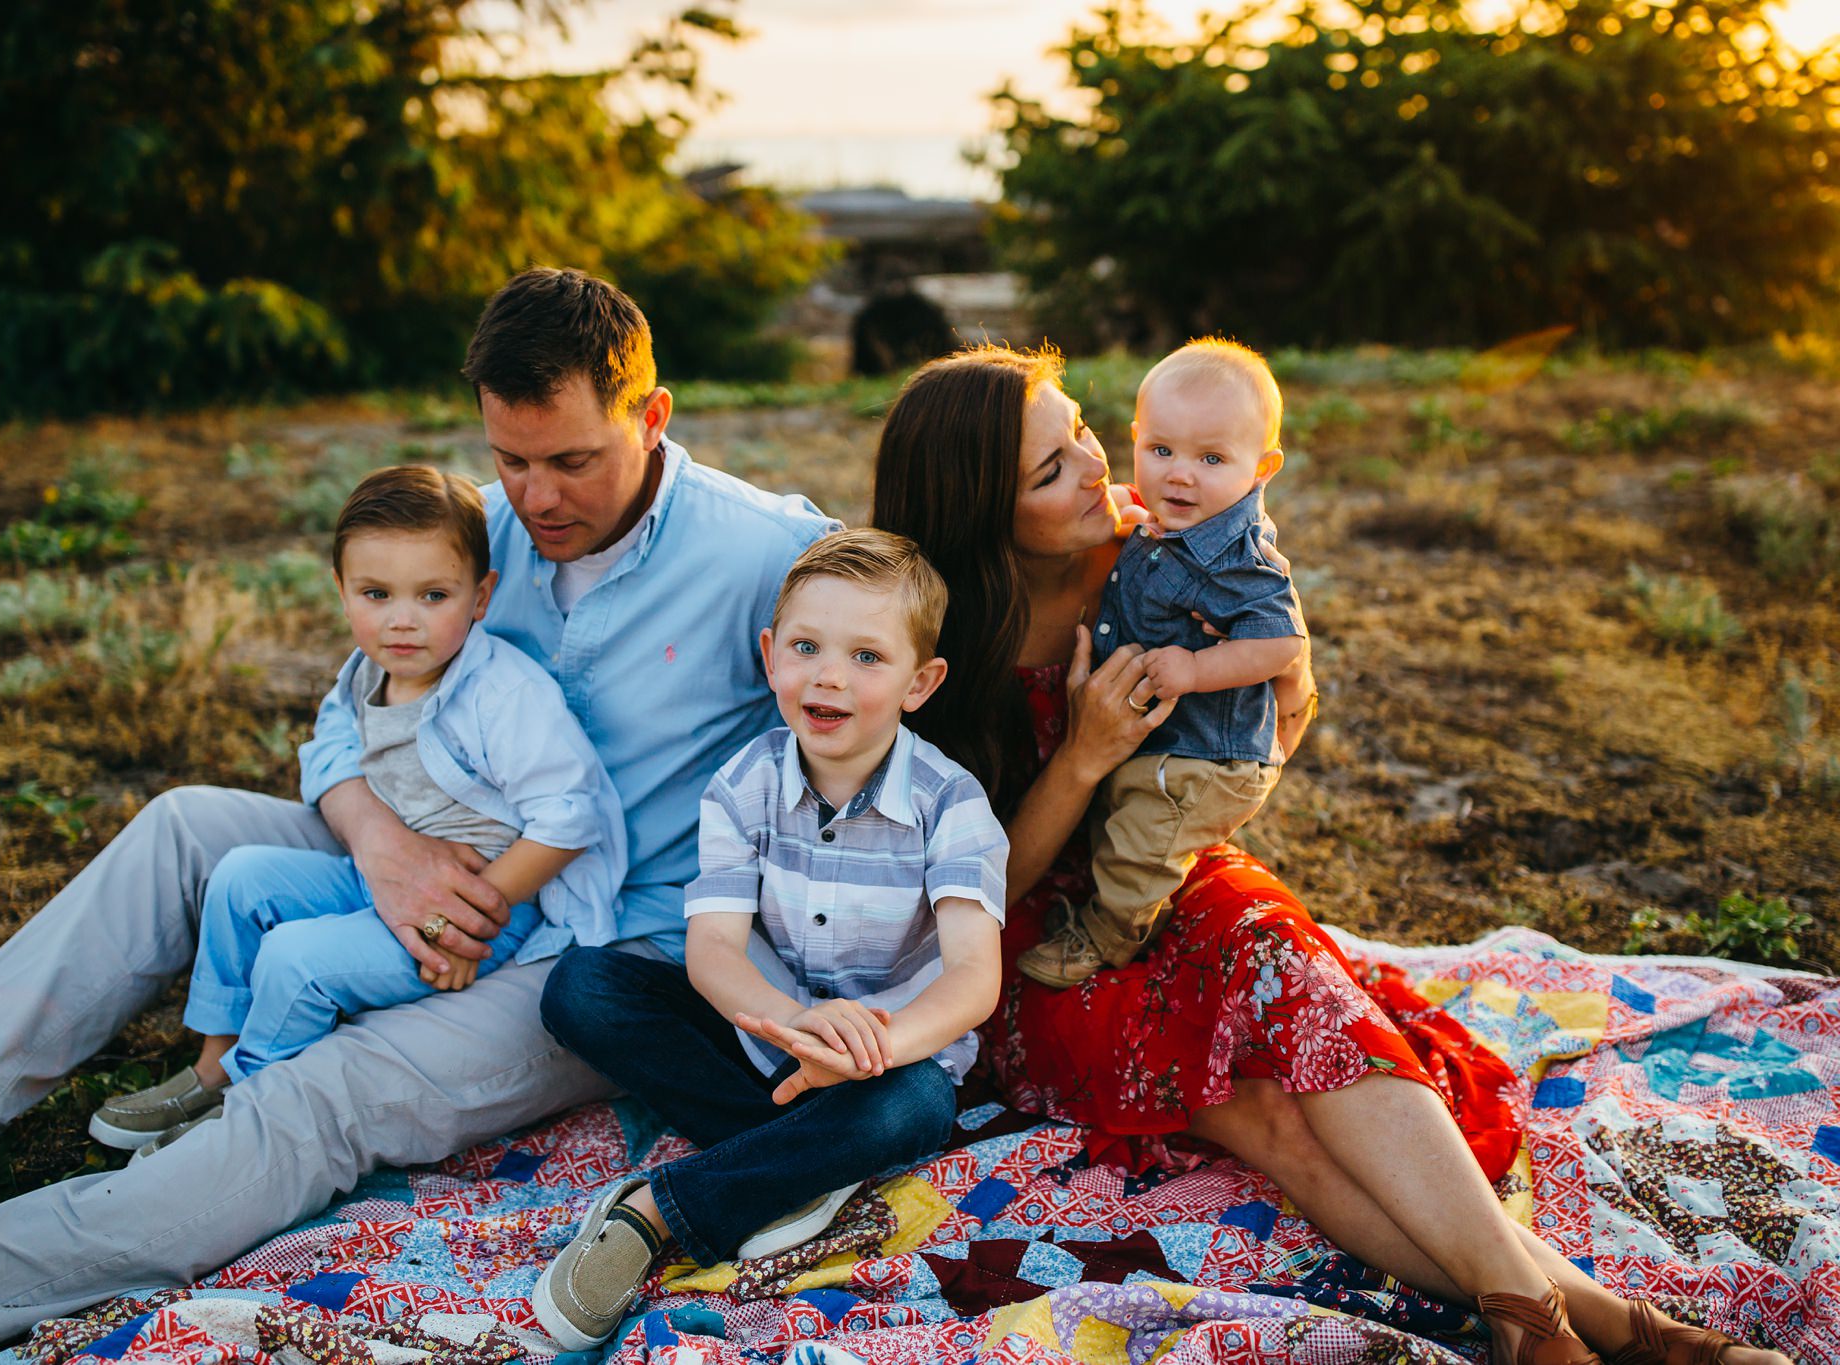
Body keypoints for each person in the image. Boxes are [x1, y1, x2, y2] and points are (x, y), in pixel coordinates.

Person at [0, 268, 835, 1365]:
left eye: (572, 460)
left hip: (599, 947)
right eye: (509, 461)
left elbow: (895, 670)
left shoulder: (766, 553)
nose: (536, 499)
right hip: (423, 854)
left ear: (651, 415)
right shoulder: (474, 538)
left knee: (326, 1093)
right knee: (188, 823)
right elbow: (342, 724)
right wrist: (379, 845)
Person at [870, 346, 1782, 1365]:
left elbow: (1276, 680)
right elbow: (980, 898)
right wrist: (1081, 758)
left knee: (1304, 1006)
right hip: (1042, 939)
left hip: (1172, 863)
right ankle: (1618, 1332)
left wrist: (1283, 698)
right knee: (1264, 1115)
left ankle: (1555, 1328)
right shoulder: (936, 638)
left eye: (1081, 428)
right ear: (980, 510)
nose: (1094, 468)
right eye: (1048, 471)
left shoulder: (1159, 546)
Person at [529, 529, 1007, 1351]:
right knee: (581, 987)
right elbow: (713, 949)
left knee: (921, 1104)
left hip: (884, 1062)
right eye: (806, 646)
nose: (827, 674)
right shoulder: (743, 784)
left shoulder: (948, 802)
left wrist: (873, 1046)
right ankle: (803, 1168)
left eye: (866, 657)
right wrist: (790, 1023)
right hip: (770, 1031)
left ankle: (656, 1213)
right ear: (769, 653)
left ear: (920, 683)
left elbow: (972, 978)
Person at [88, 465, 627, 1155]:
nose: (402, 619)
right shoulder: (368, 671)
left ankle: (243, 1112)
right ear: (342, 591)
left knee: (294, 958)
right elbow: (331, 746)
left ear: (481, 596)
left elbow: (571, 814)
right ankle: (213, 1067)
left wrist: (468, 918)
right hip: (387, 876)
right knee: (240, 877)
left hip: (488, 905)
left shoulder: (503, 694)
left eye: (433, 594)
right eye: (376, 594)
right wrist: (383, 853)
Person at [1018, 339, 1304, 988]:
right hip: (1165, 756)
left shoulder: (1233, 553)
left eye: (1211, 458)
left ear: (1261, 469)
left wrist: (1197, 670)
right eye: (1162, 450)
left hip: (1203, 755)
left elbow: (1285, 644)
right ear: (1139, 437)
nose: (1179, 474)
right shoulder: (1160, 523)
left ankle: (1110, 933)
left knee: (1140, 846)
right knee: (1130, 826)